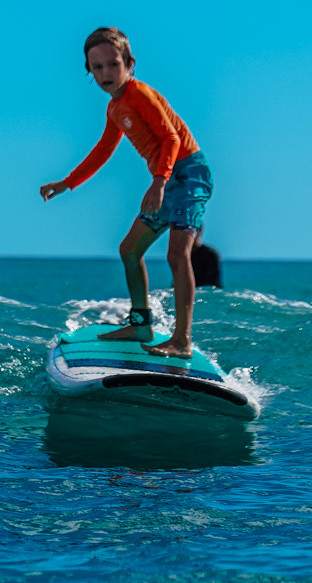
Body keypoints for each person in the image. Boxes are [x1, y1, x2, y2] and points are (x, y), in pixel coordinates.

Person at [40, 27, 213, 359]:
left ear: (129, 63)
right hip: (164, 178)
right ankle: (140, 324)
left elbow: (171, 140)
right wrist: (68, 182)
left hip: (188, 174)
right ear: (89, 71)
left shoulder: (141, 95)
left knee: (177, 254)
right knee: (130, 249)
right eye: (98, 67)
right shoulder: (115, 109)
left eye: (113, 64)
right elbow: (104, 149)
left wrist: (160, 182)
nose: (106, 73)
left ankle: (182, 340)